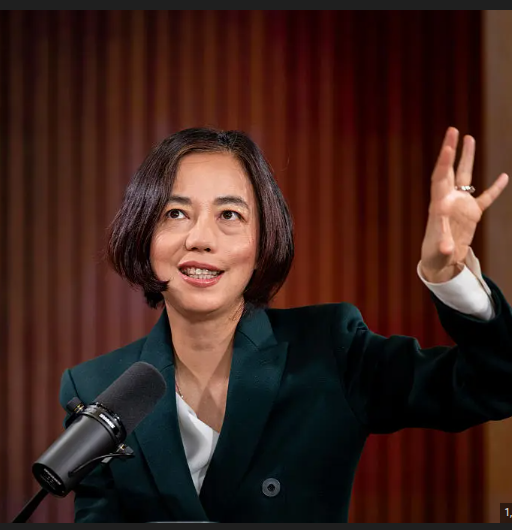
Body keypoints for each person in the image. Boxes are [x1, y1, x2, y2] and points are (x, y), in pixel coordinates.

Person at [59, 126, 512, 523]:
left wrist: (448, 275)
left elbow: (494, 386)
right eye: (175, 213)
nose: (200, 239)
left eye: (229, 215)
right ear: (144, 234)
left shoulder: (330, 348)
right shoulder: (96, 387)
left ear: (262, 242)